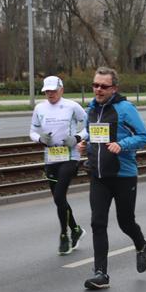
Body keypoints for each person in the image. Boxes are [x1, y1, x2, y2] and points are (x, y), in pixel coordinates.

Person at [79, 67, 146, 289]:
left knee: (125, 222)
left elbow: (144, 136)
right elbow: (93, 136)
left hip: (123, 175)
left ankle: (140, 245)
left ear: (114, 88)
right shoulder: (90, 109)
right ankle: (101, 273)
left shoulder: (125, 109)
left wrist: (122, 144)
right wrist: (85, 145)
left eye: (103, 86)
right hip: (99, 176)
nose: (98, 90)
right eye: (95, 85)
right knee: (97, 223)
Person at [30, 75, 88, 255]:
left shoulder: (72, 106)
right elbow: (32, 130)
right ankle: (76, 229)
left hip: (70, 156)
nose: (50, 94)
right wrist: (40, 138)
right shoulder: (39, 108)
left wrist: (77, 137)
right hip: (51, 158)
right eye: (47, 91)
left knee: (59, 196)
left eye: (53, 90)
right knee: (58, 199)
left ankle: (65, 236)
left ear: (61, 90)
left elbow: (89, 126)